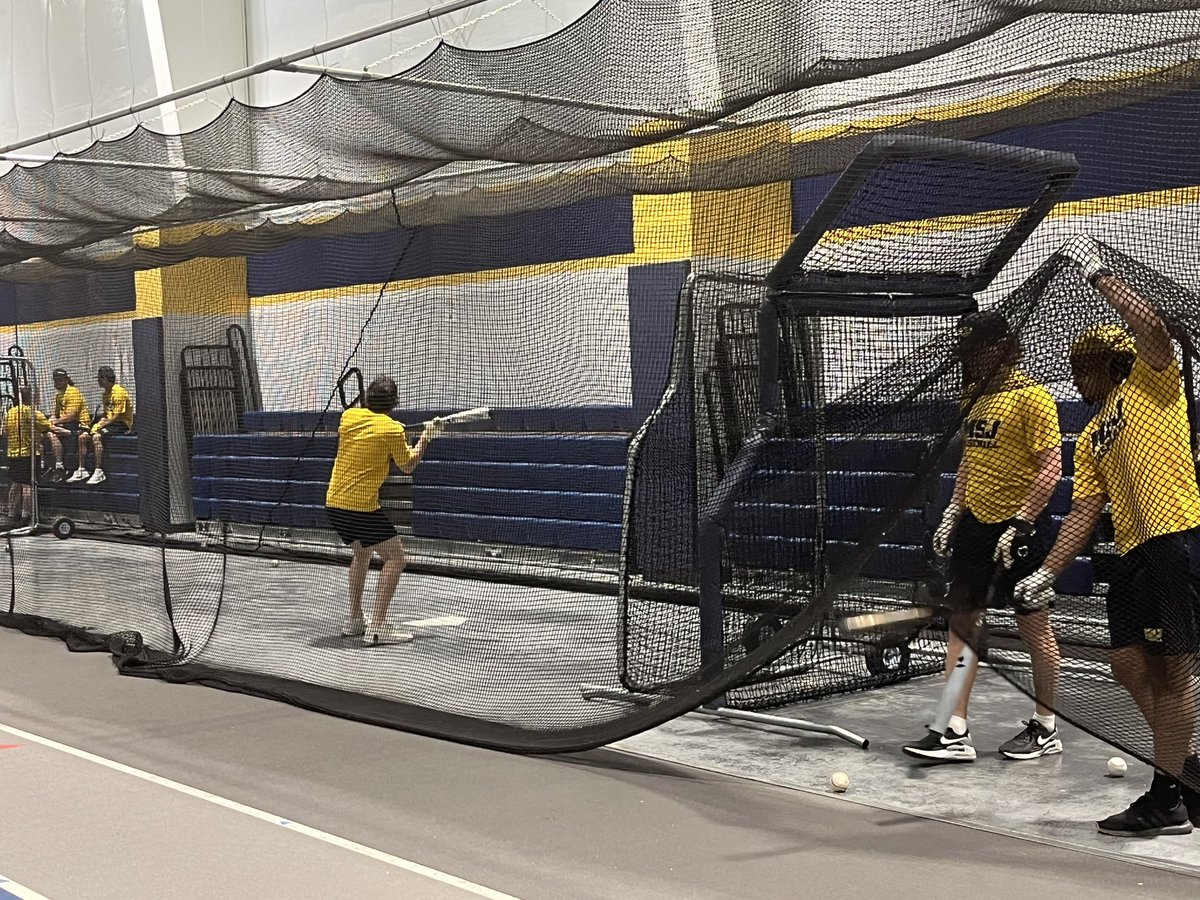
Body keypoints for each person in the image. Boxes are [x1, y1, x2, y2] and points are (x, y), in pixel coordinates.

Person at [1015, 236, 1200, 837]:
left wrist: (1101, 277)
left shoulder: (1152, 384)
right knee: (1126, 663)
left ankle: (1169, 793)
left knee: (1173, 673)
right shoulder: (1093, 431)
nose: (1074, 377)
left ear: (1105, 363)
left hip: (1175, 540)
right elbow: (1085, 510)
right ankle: (1186, 763)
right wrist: (1047, 571)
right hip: (1131, 556)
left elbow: (1157, 334)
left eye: (1080, 367)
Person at [902, 310, 1064, 764]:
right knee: (963, 620)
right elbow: (971, 462)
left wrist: (1022, 521)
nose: (969, 358)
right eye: (965, 351)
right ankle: (955, 727)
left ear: (1001, 347)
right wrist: (954, 509)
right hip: (976, 522)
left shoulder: (1032, 397)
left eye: (977, 349)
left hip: (1020, 528)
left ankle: (1046, 725)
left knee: (1033, 623)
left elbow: (1050, 467)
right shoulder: (972, 396)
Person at [325, 376, 444, 645]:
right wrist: (425, 437)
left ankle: (355, 619)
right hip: (361, 508)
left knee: (362, 552)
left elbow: (372, 431)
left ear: (368, 397)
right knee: (397, 558)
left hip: (334, 503)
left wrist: (399, 432)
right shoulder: (392, 429)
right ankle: (377, 627)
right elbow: (408, 465)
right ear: (395, 402)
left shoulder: (348, 417)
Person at [67, 366, 133, 486]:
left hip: (121, 424)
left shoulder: (119, 392)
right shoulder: (105, 394)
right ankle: (82, 470)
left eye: (99, 379)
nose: (98, 381)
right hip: (110, 422)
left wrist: (99, 427)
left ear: (105, 379)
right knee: (83, 437)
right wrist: (97, 424)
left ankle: (98, 471)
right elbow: (106, 414)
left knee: (96, 437)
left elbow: (116, 416)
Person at [3, 386, 51, 526]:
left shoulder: (11, 412)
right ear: (32, 397)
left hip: (12, 454)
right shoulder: (32, 412)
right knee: (28, 485)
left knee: (15, 484)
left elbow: (4, 431)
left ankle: (11, 514)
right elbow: (48, 427)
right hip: (28, 454)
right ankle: (27, 515)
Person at [43, 367, 91, 482]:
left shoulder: (73, 392)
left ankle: (73, 434)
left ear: (66, 380)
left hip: (79, 424)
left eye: (60, 380)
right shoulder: (59, 395)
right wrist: (48, 422)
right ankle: (58, 465)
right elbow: (55, 414)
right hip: (66, 426)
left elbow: (72, 415)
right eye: (55, 380)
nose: (57, 382)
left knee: (52, 430)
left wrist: (55, 422)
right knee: (49, 433)